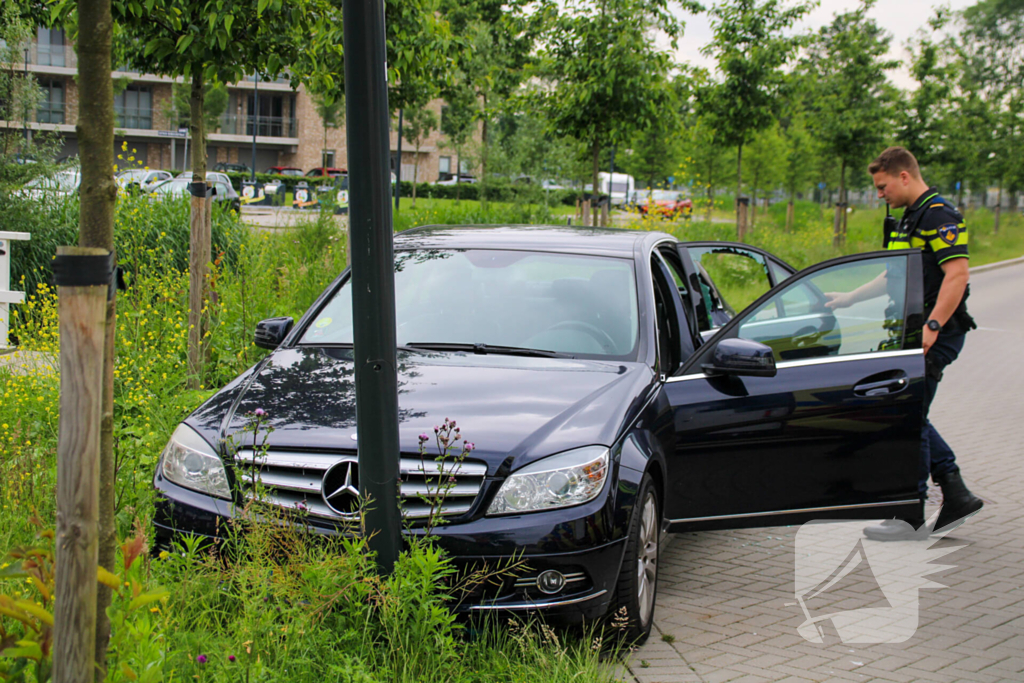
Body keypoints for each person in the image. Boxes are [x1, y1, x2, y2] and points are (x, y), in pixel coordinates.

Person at [825, 146, 983, 541]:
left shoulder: (939, 216)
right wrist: (848, 299)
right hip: (917, 331)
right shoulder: (910, 218)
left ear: (904, 176)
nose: (879, 194)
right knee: (912, 415)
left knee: (909, 418)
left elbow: (957, 275)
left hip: (937, 333)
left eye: (882, 186)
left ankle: (911, 514)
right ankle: (955, 493)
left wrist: (933, 325)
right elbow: (891, 276)